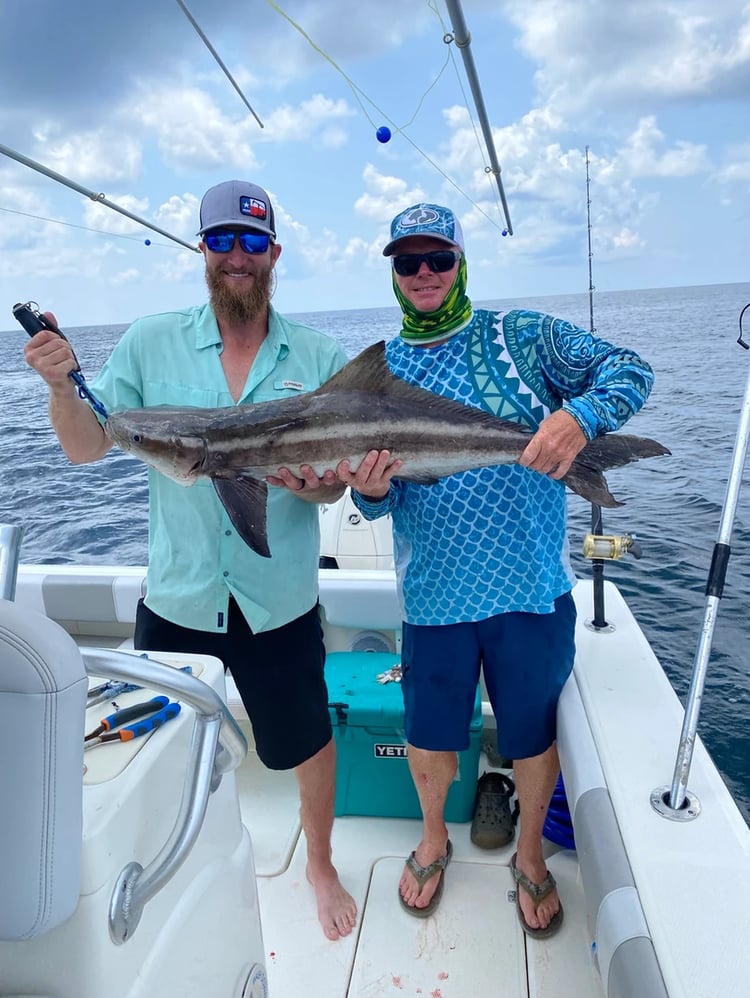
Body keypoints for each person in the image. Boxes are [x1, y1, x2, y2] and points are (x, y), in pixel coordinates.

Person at [24, 179, 358, 941]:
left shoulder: (318, 354)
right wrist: (59, 384)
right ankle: (179, 861)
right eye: (221, 241)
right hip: (178, 599)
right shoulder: (148, 342)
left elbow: (330, 496)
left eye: (251, 242)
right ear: (200, 251)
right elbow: (87, 446)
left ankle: (322, 865)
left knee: (305, 741)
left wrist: (328, 483)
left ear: (274, 252)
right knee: (168, 749)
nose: (237, 256)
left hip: (279, 599)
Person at [337, 202, 655, 934]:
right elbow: (374, 503)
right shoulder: (380, 368)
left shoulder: (525, 336)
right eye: (407, 262)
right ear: (393, 272)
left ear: (460, 262)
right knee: (429, 736)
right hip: (435, 594)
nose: (423, 274)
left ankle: (532, 855)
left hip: (529, 587)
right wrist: (373, 487)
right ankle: (433, 835)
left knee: (531, 735)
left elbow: (630, 369)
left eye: (437, 259)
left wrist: (579, 419)